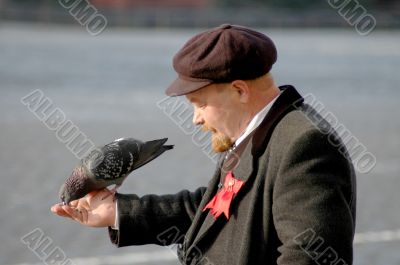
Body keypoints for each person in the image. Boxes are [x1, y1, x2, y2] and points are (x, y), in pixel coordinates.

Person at [51, 24, 356, 265]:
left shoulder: (305, 145)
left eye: (199, 103)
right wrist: (120, 212)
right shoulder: (257, 130)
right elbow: (215, 208)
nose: (196, 119)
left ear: (239, 90)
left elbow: (311, 257)